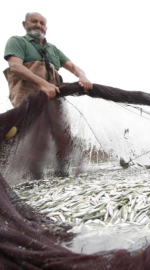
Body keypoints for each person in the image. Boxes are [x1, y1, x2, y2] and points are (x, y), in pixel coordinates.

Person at [3, 12, 92, 179]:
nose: (38, 25)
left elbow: (74, 67)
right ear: (25, 24)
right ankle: (32, 176)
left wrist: (82, 76)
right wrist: (42, 84)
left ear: (46, 27)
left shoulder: (52, 49)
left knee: (62, 131)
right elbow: (15, 67)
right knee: (34, 132)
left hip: (54, 95)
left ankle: (62, 172)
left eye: (42, 23)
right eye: (34, 21)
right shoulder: (17, 41)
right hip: (28, 94)